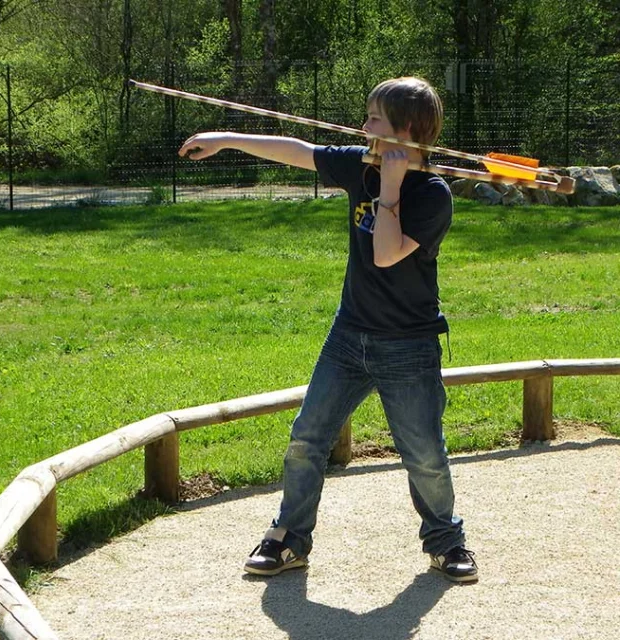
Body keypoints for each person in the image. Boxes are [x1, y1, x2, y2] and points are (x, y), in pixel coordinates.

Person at [178, 76, 478, 584]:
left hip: (408, 346)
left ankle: (447, 541)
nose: (363, 127)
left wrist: (388, 189)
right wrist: (227, 138)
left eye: (374, 119)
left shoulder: (432, 194)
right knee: (307, 438)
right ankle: (289, 539)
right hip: (348, 336)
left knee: (423, 453)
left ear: (405, 130)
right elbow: (298, 149)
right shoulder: (358, 164)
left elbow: (385, 255)